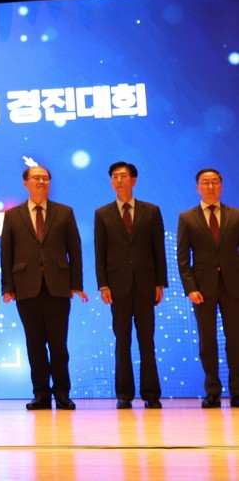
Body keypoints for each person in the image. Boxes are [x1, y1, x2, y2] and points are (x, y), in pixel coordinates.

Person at [0, 166, 88, 410]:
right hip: (25, 287)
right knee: (34, 344)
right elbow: (6, 253)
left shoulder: (64, 212)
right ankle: (41, 394)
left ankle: (62, 393)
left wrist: (76, 284)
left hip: (58, 287)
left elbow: (75, 250)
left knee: (59, 344)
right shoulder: (13, 215)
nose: (41, 182)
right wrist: (8, 287)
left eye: (45, 178)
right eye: (36, 178)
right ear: (25, 183)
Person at [94, 162, 167, 410]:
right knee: (122, 341)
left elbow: (158, 249)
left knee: (147, 341)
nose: (118, 180)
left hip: (146, 284)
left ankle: (151, 393)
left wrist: (160, 283)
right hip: (117, 287)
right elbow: (100, 253)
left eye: (123, 176)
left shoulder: (151, 211)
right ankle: (124, 394)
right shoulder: (102, 214)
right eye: (114, 176)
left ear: (133, 180)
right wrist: (103, 285)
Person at [177, 168, 239, 409]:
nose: (210, 187)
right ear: (197, 188)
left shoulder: (235, 215)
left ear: (221, 187)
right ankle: (212, 391)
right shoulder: (187, 217)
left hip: (233, 287)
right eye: (205, 182)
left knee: (235, 340)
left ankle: (237, 390)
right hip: (202, 289)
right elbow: (183, 257)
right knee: (207, 342)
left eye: (214, 182)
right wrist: (190, 288)